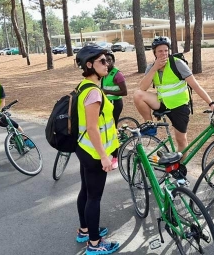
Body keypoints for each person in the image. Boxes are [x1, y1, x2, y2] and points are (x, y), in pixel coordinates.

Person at [133, 36, 214, 153]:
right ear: (154, 52)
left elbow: (196, 86)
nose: (163, 54)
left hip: (179, 106)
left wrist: (211, 103)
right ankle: (150, 126)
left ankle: (181, 168)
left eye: (166, 50)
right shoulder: (151, 67)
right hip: (162, 103)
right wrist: (154, 68)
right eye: (160, 51)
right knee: (138, 94)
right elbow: (143, 88)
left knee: (181, 140)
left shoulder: (177, 64)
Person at [74, 45, 120, 255]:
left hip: (84, 148)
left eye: (108, 60)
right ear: (89, 65)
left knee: (86, 191)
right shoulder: (93, 92)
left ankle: (85, 230)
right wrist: (104, 156)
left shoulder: (84, 86)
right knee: (94, 198)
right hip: (94, 153)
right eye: (102, 61)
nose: (107, 64)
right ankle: (94, 244)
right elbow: (92, 127)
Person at [100, 50, 127, 169]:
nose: (107, 63)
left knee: (112, 128)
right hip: (105, 104)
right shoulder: (102, 73)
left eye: (109, 60)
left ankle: (115, 156)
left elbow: (124, 92)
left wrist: (108, 92)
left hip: (115, 103)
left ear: (113, 62)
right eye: (105, 61)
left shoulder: (117, 74)